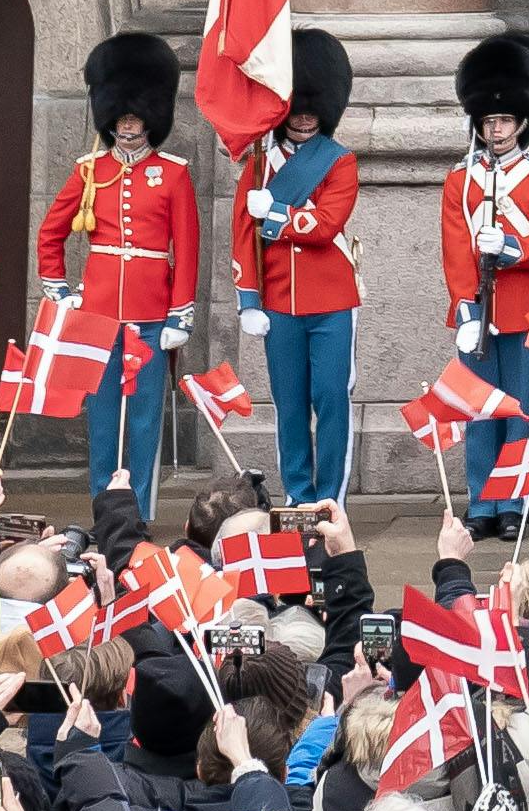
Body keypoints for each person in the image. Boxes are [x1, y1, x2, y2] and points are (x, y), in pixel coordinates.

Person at [33, 33, 196, 513]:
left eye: (137, 116)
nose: (129, 124)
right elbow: (51, 233)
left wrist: (179, 315)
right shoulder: (90, 170)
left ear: (151, 118)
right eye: (122, 116)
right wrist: (58, 288)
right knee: (103, 418)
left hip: (150, 314)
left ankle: (140, 511)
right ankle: (105, 506)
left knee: (144, 419)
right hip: (98, 316)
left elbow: (186, 250)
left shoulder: (173, 173)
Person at [230, 26, 359, 505]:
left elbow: (326, 225)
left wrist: (277, 214)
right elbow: (242, 234)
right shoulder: (260, 162)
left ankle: (330, 498)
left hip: (331, 301)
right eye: (296, 109)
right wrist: (248, 300)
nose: (304, 118)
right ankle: (298, 495)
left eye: (311, 110)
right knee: (289, 406)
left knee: (330, 401)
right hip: (279, 302)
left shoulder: (338, 161)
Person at [440, 35, 529, 509]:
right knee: (478, 406)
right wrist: (464, 305)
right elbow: (454, 247)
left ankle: (515, 499)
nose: (495, 130)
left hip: (526, 305)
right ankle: (481, 500)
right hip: (478, 307)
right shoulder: (462, 176)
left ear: (522, 121)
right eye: (489, 121)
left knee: (521, 409)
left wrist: (514, 248)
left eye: (504, 121)